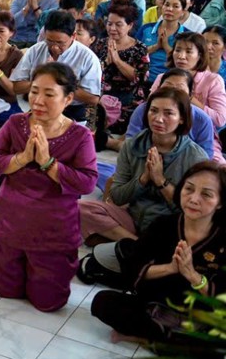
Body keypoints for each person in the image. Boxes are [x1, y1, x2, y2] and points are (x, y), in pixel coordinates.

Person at [0, 63, 98, 312]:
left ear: (68, 99)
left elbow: (87, 182)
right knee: (5, 291)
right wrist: (22, 158)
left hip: (52, 233)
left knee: (48, 303)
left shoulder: (80, 136)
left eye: (49, 94)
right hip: (10, 225)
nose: (38, 100)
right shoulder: (15, 123)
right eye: (34, 91)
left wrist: (48, 162)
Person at [91, 162, 225, 343]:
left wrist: (194, 276)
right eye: (189, 189)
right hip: (155, 305)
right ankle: (172, 341)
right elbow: (133, 268)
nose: (194, 199)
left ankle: (153, 339)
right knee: (103, 302)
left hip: (201, 315)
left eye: (206, 194)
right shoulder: (163, 225)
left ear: (220, 202)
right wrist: (170, 268)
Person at [83, 86, 207, 248]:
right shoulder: (131, 146)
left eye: (168, 113)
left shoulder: (196, 157)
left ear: (182, 118)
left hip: (169, 226)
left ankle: (125, 243)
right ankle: (140, 246)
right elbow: (118, 197)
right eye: (153, 111)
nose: (158, 119)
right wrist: (143, 179)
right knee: (82, 209)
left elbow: (190, 210)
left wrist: (160, 181)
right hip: (133, 218)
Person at [10, 10, 102, 122]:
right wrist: (41, 80)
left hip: (72, 112)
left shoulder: (87, 57)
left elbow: (93, 98)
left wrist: (60, 82)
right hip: (39, 107)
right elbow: (16, 87)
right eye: (49, 41)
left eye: (60, 42)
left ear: (73, 36)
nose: (54, 47)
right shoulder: (36, 50)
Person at [121, 68, 220, 161]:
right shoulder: (143, 110)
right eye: (167, 87)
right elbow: (131, 144)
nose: (172, 92)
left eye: (180, 89)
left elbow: (205, 157)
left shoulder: (202, 119)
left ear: (190, 95)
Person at [94, 1, 149, 133]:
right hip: (102, 98)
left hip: (128, 101)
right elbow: (93, 72)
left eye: (118, 25)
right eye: (109, 24)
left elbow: (141, 78)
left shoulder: (139, 48)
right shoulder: (100, 44)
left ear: (130, 25)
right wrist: (106, 62)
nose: (112, 28)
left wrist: (117, 60)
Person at [140, 0, 191, 83]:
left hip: (171, 82)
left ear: (183, 12)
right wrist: (156, 46)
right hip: (143, 78)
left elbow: (186, 63)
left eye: (175, 6)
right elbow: (134, 54)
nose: (169, 9)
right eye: (167, 5)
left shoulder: (188, 35)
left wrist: (166, 45)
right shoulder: (146, 28)